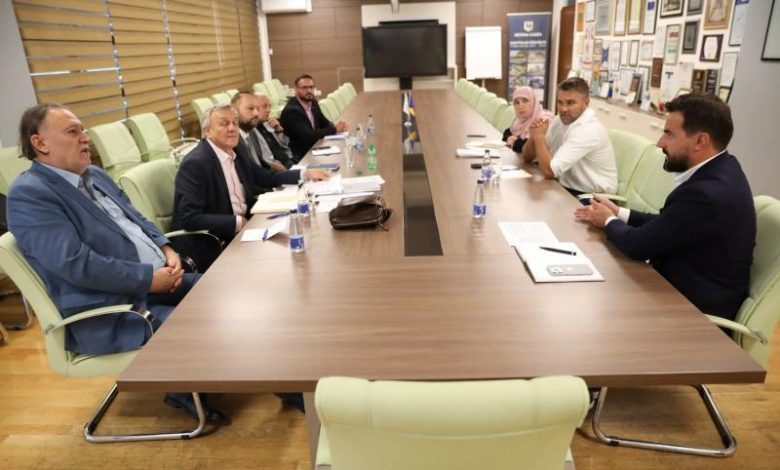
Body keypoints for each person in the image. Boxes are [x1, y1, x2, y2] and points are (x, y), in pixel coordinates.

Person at [6, 104, 228, 424]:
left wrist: (167, 249)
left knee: (224, 291)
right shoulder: (30, 195)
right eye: (73, 132)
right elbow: (76, 264)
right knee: (194, 323)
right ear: (40, 143)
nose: (86, 138)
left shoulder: (94, 174)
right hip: (109, 307)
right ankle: (184, 389)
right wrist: (148, 280)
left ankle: (219, 374)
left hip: (155, 280)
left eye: (84, 130)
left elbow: (137, 219)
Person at [574, 93, 755, 321]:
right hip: (679, 288)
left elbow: (638, 245)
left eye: (669, 134)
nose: (660, 142)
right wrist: (618, 212)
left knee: (594, 307)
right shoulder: (724, 168)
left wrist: (607, 220)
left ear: (700, 141)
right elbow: (669, 223)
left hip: (694, 313)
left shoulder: (706, 194)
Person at [171, 104, 329, 270]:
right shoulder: (196, 163)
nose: (232, 128)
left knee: (301, 246)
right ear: (207, 131)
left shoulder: (236, 150)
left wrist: (304, 174)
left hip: (247, 229)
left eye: (235, 123)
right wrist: (237, 222)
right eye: (224, 123)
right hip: (217, 242)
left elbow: (261, 175)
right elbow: (190, 218)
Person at [522, 77, 617, 197]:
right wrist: (534, 136)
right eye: (560, 102)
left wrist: (540, 137)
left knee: (535, 201)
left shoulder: (587, 129)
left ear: (586, 103)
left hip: (593, 197)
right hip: (566, 188)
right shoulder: (560, 120)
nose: (563, 109)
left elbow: (549, 172)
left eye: (570, 103)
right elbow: (527, 158)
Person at [280, 74, 348, 160]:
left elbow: (324, 122)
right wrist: (334, 129)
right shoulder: (291, 111)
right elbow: (308, 136)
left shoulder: (313, 102)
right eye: (304, 88)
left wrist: (337, 126)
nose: (309, 90)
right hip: (301, 156)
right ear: (296, 89)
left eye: (311, 87)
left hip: (316, 148)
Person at [233, 91, 294, 170]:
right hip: (277, 170)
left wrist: (279, 131)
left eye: (257, 109)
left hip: (288, 162)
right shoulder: (251, 129)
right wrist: (287, 173)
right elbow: (267, 161)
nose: (268, 110)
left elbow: (285, 146)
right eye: (264, 107)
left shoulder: (267, 123)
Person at [502, 86, 553, 153]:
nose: (520, 106)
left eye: (525, 101)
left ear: (533, 101)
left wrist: (515, 142)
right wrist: (513, 140)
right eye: (517, 103)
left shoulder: (544, 119)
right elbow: (507, 133)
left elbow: (530, 147)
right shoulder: (520, 121)